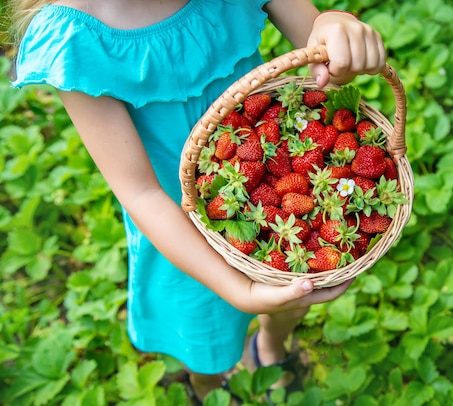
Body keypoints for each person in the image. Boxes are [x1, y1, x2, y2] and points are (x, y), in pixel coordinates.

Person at [8, 0, 386, 402]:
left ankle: (269, 349)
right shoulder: (76, 37)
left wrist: (332, 25)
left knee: (293, 293)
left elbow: (317, 40)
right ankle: (207, 381)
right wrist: (238, 290)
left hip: (268, 170)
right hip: (175, 223)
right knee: (201, 322)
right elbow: (141, 192)